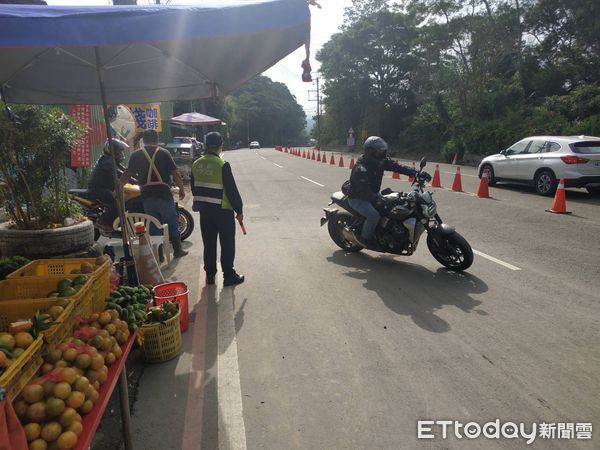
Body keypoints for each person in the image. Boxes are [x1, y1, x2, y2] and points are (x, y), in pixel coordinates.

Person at [346, 136, 431, 247]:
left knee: (394, 206)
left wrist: (415, 173)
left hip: (373, 194)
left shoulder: (380, 161)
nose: (382, 155)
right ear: (370, 152)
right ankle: (365, 239)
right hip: (358, 198)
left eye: (383, 152)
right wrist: (379, 199)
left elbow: (397, 167)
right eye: (379, 152)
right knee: (374, 215)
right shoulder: (361, 168)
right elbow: (363, 191)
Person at [120, 129, 189, 258]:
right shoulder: (164, 153)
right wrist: (181, 189)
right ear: (157, 139)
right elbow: (175, 174)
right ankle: (178, 250)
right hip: (164, 194)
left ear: (143, 141)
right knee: (171, 222)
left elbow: (126, 174)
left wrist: (118, 188)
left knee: (153, 224)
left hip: (147, 196)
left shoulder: (136, 155)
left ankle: (159, 254)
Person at [191, 131, 244, 286]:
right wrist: (239, 211)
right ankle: (228, 275)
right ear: (221, 146)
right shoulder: (222, 164)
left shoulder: (196, 164)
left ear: (206, 146)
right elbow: (231, 190)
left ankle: (210, 275)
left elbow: (194, 187)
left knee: (209, 243)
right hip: (223, 211)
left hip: (205, 212)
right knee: (227, 243)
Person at [85, 138, 129, 232]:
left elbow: (126, 172)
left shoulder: (114, 162)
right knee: (118, 199)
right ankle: (103, 221)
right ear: (113, 151)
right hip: (97, 189)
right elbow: (119, 173)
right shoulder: (106, 161)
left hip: (105, 188)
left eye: (121, 151)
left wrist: (138, 178)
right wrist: (134, 181)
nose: (121, 154)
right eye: (119, 151)